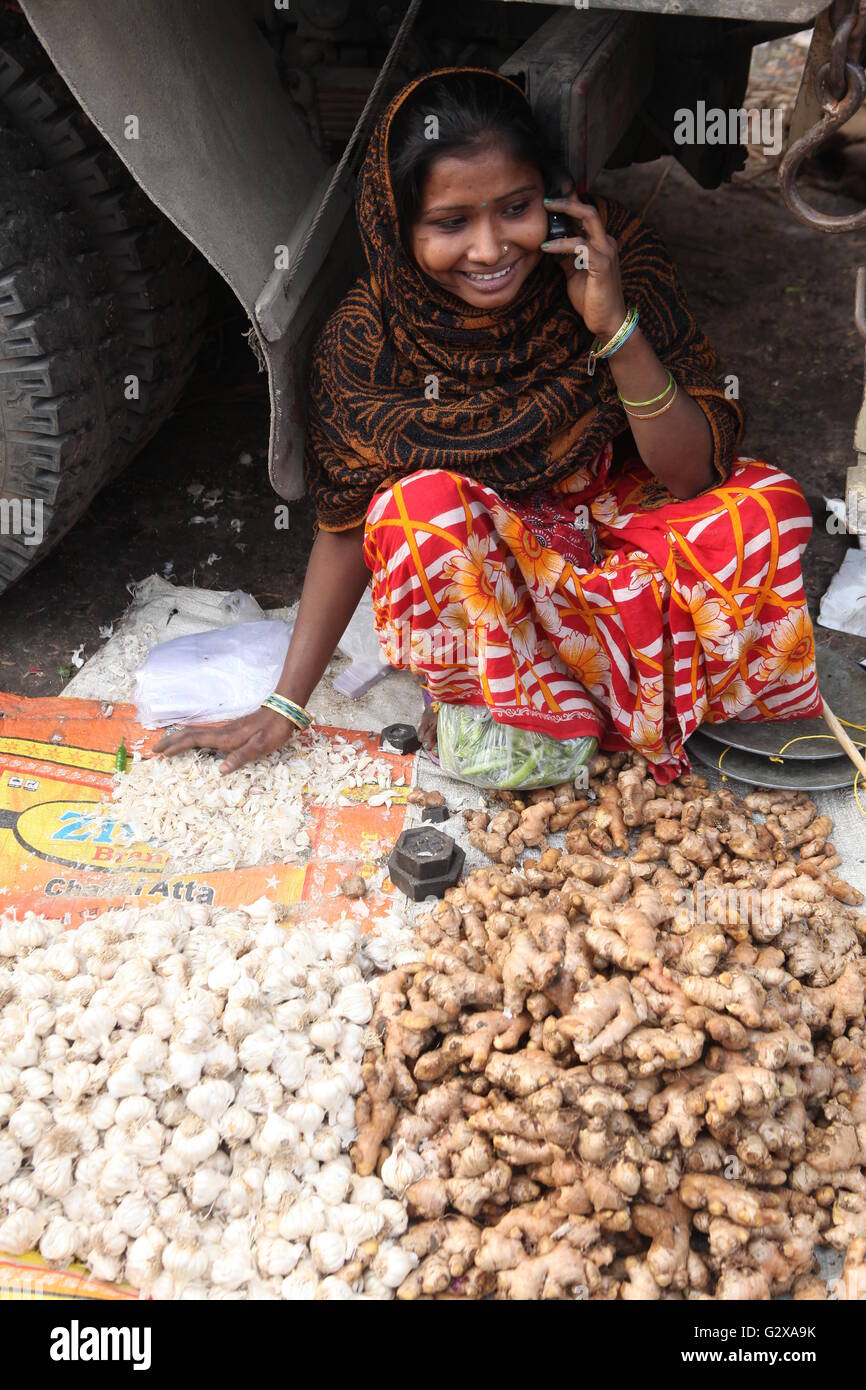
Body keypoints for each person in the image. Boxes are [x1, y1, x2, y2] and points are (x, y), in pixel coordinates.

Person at [156, 66, 821, 783]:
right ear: (396, 224)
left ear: (555, 201)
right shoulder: (365, 340)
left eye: (516, 208)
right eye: (451, 223)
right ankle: (545, 712)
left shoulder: (613, 259)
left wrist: (612, 324)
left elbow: (690, 474)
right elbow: (349, 525)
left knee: (768, 508)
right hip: (497, 569)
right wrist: (286, 703)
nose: (490, 248)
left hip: (611, 537)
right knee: (417, 516)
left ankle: (604, 707)